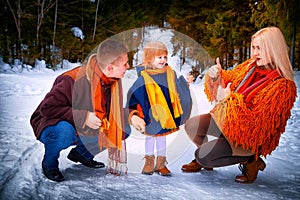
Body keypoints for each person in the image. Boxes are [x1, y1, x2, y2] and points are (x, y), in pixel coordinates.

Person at [181, 27, 297, 183]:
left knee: (202, 156)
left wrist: (231, 100)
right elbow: (230, 77)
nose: (255, 53)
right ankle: (208, 156)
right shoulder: (250, 66)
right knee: (191, 125)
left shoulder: (283, 87)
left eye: (261, 48)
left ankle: (251, 160)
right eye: (254, 48)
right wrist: (217, 75)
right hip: (228, 123)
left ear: (274, 49)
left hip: (248, 140)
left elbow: (259, 126)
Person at [30, 39, 130, 182]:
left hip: (82, 127)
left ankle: (82, 154)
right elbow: (47, 109)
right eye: (125, 64)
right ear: (110, 68)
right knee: (64, 132)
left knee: (122, 128)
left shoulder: (111, 82)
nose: (128, 66)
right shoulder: (71, 79)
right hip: (54, 123)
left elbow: (112, 113)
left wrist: (132, 116)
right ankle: (49, 164)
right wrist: (84, 117)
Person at [126, 41, 192, 176]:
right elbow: (134, 93)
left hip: (165, 113)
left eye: (165, 57)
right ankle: (149, 162)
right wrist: (137, 113)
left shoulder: (169, 73)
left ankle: (161, 163)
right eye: (159, 57)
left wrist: (185, 84)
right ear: (150, 59)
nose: (163, 60)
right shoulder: (144, 76)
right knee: (150, 138)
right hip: (150, 113)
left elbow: (177, 87)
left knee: (162, 138)